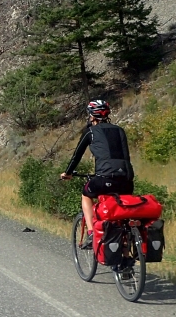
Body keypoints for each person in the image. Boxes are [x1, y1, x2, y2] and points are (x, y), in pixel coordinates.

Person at [60, 99, 134, 248]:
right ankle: (126, 259)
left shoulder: (91, 132)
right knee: (122, 212)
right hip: (126, 180)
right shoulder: (120, 130)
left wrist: (68, 173)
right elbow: (125, 157)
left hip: (104, 179)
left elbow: (76, 156)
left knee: (86, 194)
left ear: (92, 116)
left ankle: (92, 233)